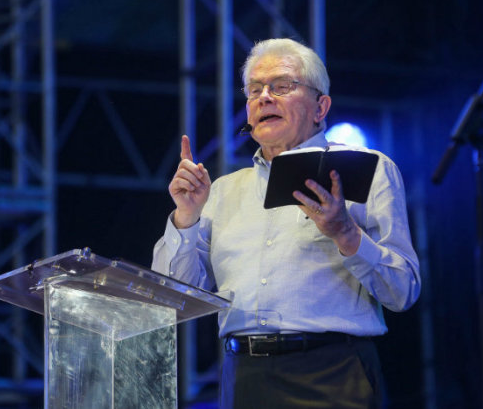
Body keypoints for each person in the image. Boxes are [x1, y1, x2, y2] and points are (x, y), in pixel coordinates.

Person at [152, 38, 421, 409]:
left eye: (281, 86)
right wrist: (185, 216)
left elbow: (402, 291)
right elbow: (173, 300)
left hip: (333, 374)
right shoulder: (222, 191)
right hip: (242, 376)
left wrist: (346, 233)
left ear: (320, 106)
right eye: (254, 91)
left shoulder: (365, 170)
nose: (264, 98)